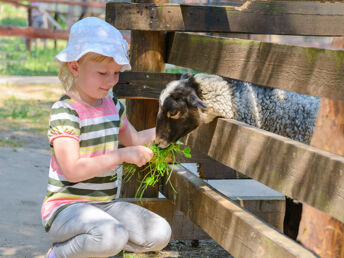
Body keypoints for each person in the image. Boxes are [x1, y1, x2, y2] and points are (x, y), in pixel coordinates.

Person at [41, 17, 171, 258]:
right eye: (102, 73)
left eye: (116, 73)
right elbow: (73, 170)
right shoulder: (66, 111)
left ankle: (96, 245)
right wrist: (120, 155)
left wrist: (170, 130)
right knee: (111, 235)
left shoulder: (112, 104)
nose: (111, 80)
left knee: (159, 233)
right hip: (66, 209)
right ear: (75, 66)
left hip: (105, 206)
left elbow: (134, 140)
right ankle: (59, 254)